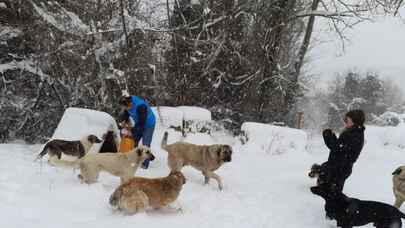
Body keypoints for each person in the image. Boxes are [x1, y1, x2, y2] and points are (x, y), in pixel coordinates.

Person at [317, 109, 365, 219]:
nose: (345, 122)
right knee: (332, 192)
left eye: (347, 120)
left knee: (333, 193)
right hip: (338, 166)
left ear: (355, 121)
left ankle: (334, 215)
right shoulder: (352, 132)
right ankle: (333, 213)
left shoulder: (355, 135)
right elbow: (339, 146)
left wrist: (328, 136)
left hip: (341, 168)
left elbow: (337, 148)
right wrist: (332, 136)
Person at [119, 95, 156, 169]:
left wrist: (132, 130)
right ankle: (134, 158)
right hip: (139, 122)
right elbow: (126, 113)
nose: (125, 109)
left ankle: (145, 164)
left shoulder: (141, 106)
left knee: (145, 144)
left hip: (149, 124)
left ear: (130, 104)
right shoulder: (127, 103)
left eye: (125, 107)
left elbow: (141, 123)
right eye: (123, 107)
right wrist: (124, 121)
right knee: (134, 140)